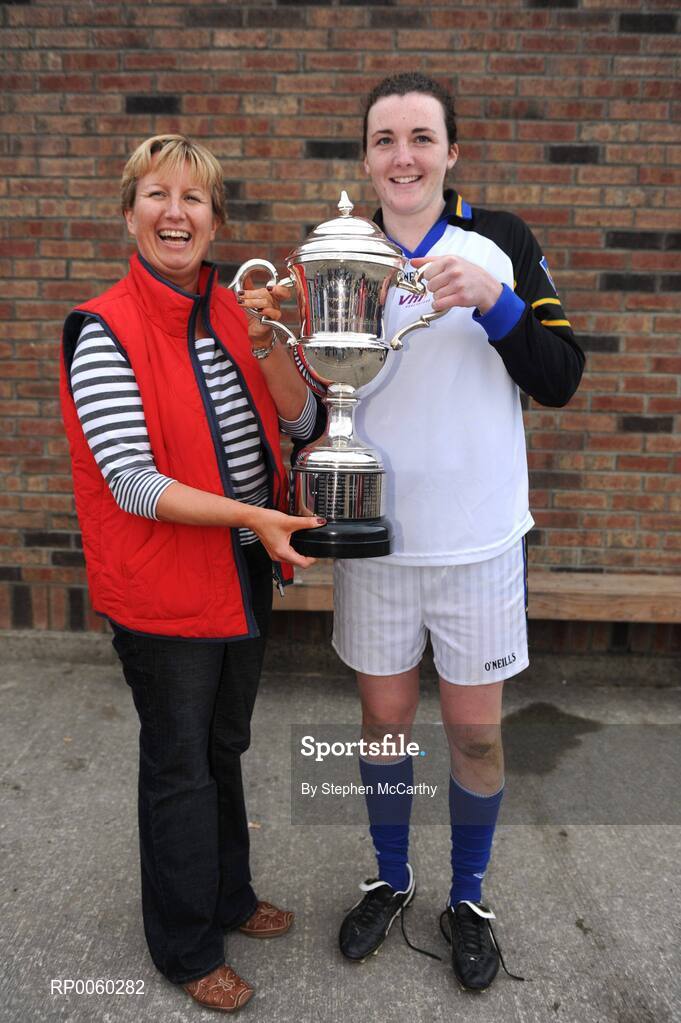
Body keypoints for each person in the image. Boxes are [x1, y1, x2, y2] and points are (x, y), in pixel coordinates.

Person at [59, 134, 325, 1013]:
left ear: (215, 219)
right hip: (164, 583)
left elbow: (304, 420)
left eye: (195, 199)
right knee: (178, 762)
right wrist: (253, 515)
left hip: (243, 570)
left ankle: (229, 895)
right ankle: (182, 944)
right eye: (156, 195)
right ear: (128, 211)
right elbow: (132, 480)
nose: (176, 212)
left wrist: (270, 342)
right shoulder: (104, 327)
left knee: (223, 745)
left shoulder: (233, 308)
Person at [333, 74, 585, 990]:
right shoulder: (337, 252)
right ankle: (390, 877)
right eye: (384, 139)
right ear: (364, 156)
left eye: (420, 137)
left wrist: (494, 300)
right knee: (384, 722)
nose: (403, 155)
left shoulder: (503, 242)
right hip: (375, 541)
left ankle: (467, 896)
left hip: (478, 543)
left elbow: (560, 375)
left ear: (450, 151)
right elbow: (313, 401)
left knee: (474, 735)